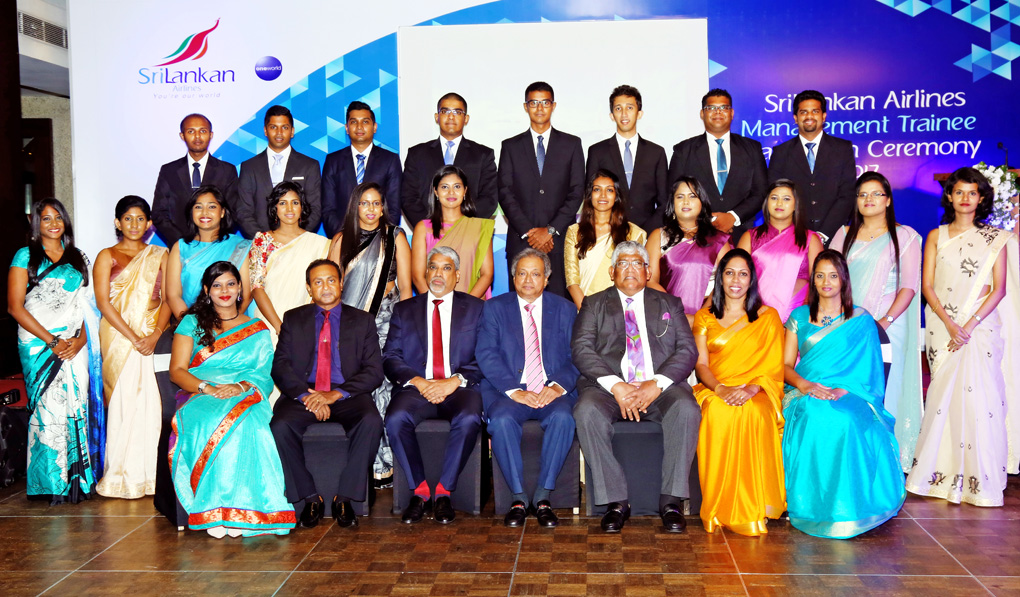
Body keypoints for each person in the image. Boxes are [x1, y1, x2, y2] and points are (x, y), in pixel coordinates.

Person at [905, 167, 1020, 507]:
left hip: (980, 329)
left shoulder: (995, 238)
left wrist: (968, 325)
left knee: (979, 401)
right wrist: (951, 324)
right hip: (943, 326)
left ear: (981, 198)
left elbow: (997, 290)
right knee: (944, 400)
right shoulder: (936, 235)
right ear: (950, 197)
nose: (965, 198)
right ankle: (939, 475)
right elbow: (927, 285)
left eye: (972, 193)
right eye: (959, 192)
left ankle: (978, 480)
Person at [572, 241, 700, 533]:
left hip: (659, 389)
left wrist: (657, 384)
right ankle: (616, 501)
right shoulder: (594, 304)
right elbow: (582, 350)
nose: (630, 269)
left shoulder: (670, 304)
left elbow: (687, 351)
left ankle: (671, 501)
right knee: (586, 411)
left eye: (636, 263)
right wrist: (617, 386)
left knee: (686, 408)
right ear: (611, 271)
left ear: (648, 271)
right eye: (622, 263)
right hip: (608, 390)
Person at [168, 261, 296, 538]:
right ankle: (214, 508)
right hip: (200, 392)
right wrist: (208, 388)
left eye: (230, 284)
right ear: (206, 290)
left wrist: (239, 386)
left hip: (246, 393)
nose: (224, 290)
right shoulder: (191, 323)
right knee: (212, 419)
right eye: (217, 285)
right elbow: (177, 371)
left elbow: (264, 372)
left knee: (252, 426)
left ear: (240, 288)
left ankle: (249, 510)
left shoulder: (257, 327)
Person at [783, 250, 905, 537]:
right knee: (816, 414)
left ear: (843, 280)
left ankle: (850, 508)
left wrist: (845, 389)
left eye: (833, 275)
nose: (826, 281)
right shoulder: (799, 316)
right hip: (805, 391)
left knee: (846, 419)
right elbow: (785, 366)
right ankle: (814, 506)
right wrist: (806, 386)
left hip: (852, 392)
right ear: (812, 280)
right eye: (820, 275)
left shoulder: (860, 319)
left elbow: (871, 370)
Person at [270, 260, 385, 528]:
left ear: (341, 283)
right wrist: (306, 396)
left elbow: (373, 371)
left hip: (347, 396)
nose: (326, 287)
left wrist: (335, 394)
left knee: (371, 421)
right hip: (304, 395)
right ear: (309, 288)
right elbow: (281, 366)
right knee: (280, 425)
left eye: (331, 280)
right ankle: (310, 497)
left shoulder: (363, 320)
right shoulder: (293, 318)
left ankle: (344, 497)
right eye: (318, 282)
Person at [476, 248, 580, 528]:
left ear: (546, 279)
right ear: (513, 278)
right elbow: (486, 354)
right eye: (521, 273)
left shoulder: (566, 309)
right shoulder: (494, 308)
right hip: (508, 392)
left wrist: (557, 387)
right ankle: (519, 498)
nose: (528, 280)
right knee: (501, 420)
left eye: (536, 274)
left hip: (551, 391)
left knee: (563, 418)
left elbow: (578, 356)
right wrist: (514, 390)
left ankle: (544, 497)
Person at [383, 247, 485, 524]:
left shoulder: (476, 309)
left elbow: (486, 355)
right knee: (394, 418)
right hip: (418, 388)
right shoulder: (404, 310)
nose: (438, 274)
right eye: (433, 267)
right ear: (426, 272)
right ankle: (419, 490)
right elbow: (391, 356)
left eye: (446, 268)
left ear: (457, 276)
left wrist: (454, 381)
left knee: (470, 417)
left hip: (459, 388)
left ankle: (443, 492)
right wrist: (417, 381)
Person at [7, 198, 99, 504]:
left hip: (74, 344)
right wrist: (52, 341)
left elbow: (89, 307)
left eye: (58, 217)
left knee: (76, 406)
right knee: (47, 411)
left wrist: (80, 340)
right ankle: (48, 483)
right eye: (46, 219)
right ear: (37, 224)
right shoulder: (25, 257)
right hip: (38, 344)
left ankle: (77, 481)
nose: (53, 223)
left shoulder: (78, 258)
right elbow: (14, 307)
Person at [829, 172, 922, 472]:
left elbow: (908, 286)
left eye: (876, 194)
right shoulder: (843, 234)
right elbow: (829, 283)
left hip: (887, 327)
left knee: (884, 391)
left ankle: (884, 465)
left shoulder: (905, 235)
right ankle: (852, 463)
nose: (868, 200)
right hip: (845, 328)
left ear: (888, 200)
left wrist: (884, 321)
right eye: (862, 194)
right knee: (847, 391)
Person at [691, 249, 785, 536]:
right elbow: (701, 364)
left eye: (743, 274)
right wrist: (721, 389)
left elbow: (773, 365)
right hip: (714, 388)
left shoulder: (768, 317)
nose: (735, 280)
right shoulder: (704, 317)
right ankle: (719, 505)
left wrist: (751, 388)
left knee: (754, 411)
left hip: (757, 388)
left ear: (751, 279)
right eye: (729, 272)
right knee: (719, 412)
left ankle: (754, 504)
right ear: (720, 278)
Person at [328, 181, 413, 486]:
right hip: (350, 327)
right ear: (355, 206)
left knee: (385, 390)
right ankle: (365, 463)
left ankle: (387, 465)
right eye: (365, 203)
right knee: (359, 390)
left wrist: (406, 331)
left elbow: (406, 287)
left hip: (388, 320)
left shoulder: (396, 237)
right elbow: (331, 290)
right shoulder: (340, 240)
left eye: (377, 203)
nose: (371, 209)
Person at [93, 196, 170, 499]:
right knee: (125, 404)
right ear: (117, 222)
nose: (134, 224)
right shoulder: (106, 255)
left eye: (140, 219)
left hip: (152, 336)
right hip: (118, 339)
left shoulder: (160, 254)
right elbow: (103, 302)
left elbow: (167, 298)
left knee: (151, 404)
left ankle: (151, 476)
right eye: (128, 218)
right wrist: (132, 336)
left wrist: (154, 335)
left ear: (149, 224)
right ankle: (120, 477)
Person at [498, 81, 585, 297]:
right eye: (533, 103)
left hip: (559, 241)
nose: (539, 108)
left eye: (545, 102)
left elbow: (577, 192)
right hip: (521, 241)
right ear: (525, 106)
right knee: (520, 310)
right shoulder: (510, 146)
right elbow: (504, 192)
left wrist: (550, 230)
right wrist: (530, 232)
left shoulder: (571, 144)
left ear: (553, 106)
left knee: (558, 312)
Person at [668, 89, 768, 243]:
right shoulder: (683, 151)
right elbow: (673, 195)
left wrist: (733, 217)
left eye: (723, 107)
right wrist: (707, 219)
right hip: (695, 235)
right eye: (711, 108)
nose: (718, 112)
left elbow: (761, 192)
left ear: (732, 113)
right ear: (702, 113)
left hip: (741, 235)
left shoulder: (752, 148)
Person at [248, 181, 330, 349]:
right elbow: (256, 287)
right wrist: (280, 327)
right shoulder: (262, 240)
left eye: (295, 202)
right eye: (282, 203)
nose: (290, 209)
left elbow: (321, 290)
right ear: (274, 209)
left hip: (305, 323)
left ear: (302, 207)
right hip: (268, 322)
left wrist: (299, 326)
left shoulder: (319, 244)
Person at [767, 90, 856, 241]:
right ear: (796, 118)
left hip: (833, 236)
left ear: (824, 116)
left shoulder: (842, 149)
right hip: (793, 238)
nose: (809, 116)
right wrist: (796, 233)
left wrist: (823, 234)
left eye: (815, 111)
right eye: (804, 112)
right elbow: (775, 197)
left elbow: (847, 195)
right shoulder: (781, 152)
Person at [401, 92, 498, 226]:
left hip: (468, 232)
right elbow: (409, 197)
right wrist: (430, 227)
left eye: (457, 112)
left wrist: (461, 225)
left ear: (466, 118)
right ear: (437, 117)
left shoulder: (483, 155)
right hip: (428, 234)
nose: (451, 117)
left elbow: (489, 198)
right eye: (445, 111)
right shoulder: (417, 154)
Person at [647, 177, 732, 324]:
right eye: (680, 196)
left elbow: (727, 281)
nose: (686, 201)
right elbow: (649, 281)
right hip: (669, 316)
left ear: (702, 203)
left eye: (692, 196)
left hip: (710, 315)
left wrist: (702, 316)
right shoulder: (658, 236)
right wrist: (677, 313)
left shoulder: (719, 240)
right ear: (672, 204)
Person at [737, 179, 823, 321]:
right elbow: (737, 278)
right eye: (774, 198)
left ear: (796, 205)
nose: (779, 203)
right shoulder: (750, 237)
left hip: (796, 315)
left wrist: (803, 317)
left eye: (786, 199)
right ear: (766, 203)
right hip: (755, 314)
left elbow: (818, 281)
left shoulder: (810, 239)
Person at [586, 85, 668, 231]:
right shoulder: (597, 151)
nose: (624, 114)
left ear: (639, 113)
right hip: (607, 233)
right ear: (612, 115)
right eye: (618, 108)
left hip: (647, 233)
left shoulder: (656, 153)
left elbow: (664, 202)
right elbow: (590, 196)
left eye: (629, 108)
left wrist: (645, 231)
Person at [165, 186, 254, 320]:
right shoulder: (180, 247)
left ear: (222, 212)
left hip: (233, 327)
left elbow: (246, 295)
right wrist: (193, 329)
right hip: (191, 325)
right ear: (191, 213)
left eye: (212, 207)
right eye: (198, 207)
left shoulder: (241, 246)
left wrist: (225, 326)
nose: (204, 212)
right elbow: (173, 296)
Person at [152, 114, 239, 247]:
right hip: (180, 249)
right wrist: (183, 242)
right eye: (191, 131)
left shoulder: (227, 170)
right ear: (182, 136)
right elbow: (159, 214)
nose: (197, 136)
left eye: (203, 131)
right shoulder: (169, 171)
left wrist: (213, 240)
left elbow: (233, 212)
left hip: (216, 247)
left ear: (211, 135)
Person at [565, 170, 647, 309]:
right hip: (585, 309)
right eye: (597, 189)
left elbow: (635, 279)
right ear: (590, 195)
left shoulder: (634, 233)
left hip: (621, 311)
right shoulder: (575, 232)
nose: (603, 195)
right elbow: (572, 281)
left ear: (616, 196)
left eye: (609, 190)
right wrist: (588, 314)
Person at [236, 105, 323, 237]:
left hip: (298, 245)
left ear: (292, 131)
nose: (279, 133)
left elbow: (315, 209)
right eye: (273, 127)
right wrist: (264, 241)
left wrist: (296, 238)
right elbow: (244, 211)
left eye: (285, 127)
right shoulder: (249, 167)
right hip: (261, 246)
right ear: (265, 130)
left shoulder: (309, 165)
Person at [411, 165, 494, 299]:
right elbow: (417, 276)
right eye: (444, 187)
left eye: (457, 187)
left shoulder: (479, 227)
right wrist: (437, 305)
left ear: (465, 191)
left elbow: (487, 274)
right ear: (436, 192)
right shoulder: (423, 228)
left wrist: (465, 306)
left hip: (472, 306)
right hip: (435, 306)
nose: (451, 192)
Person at [322, 101, 402, 236]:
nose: (359, 127)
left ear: (374, 127)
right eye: (354, 122)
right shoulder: (333, 161)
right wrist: (343, 238)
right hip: (342, 240)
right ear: (347, 128)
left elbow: (393, 209)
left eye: (365, 122)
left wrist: (377, 239)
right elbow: (328, 209)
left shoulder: (390, 160)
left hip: (379, 240)